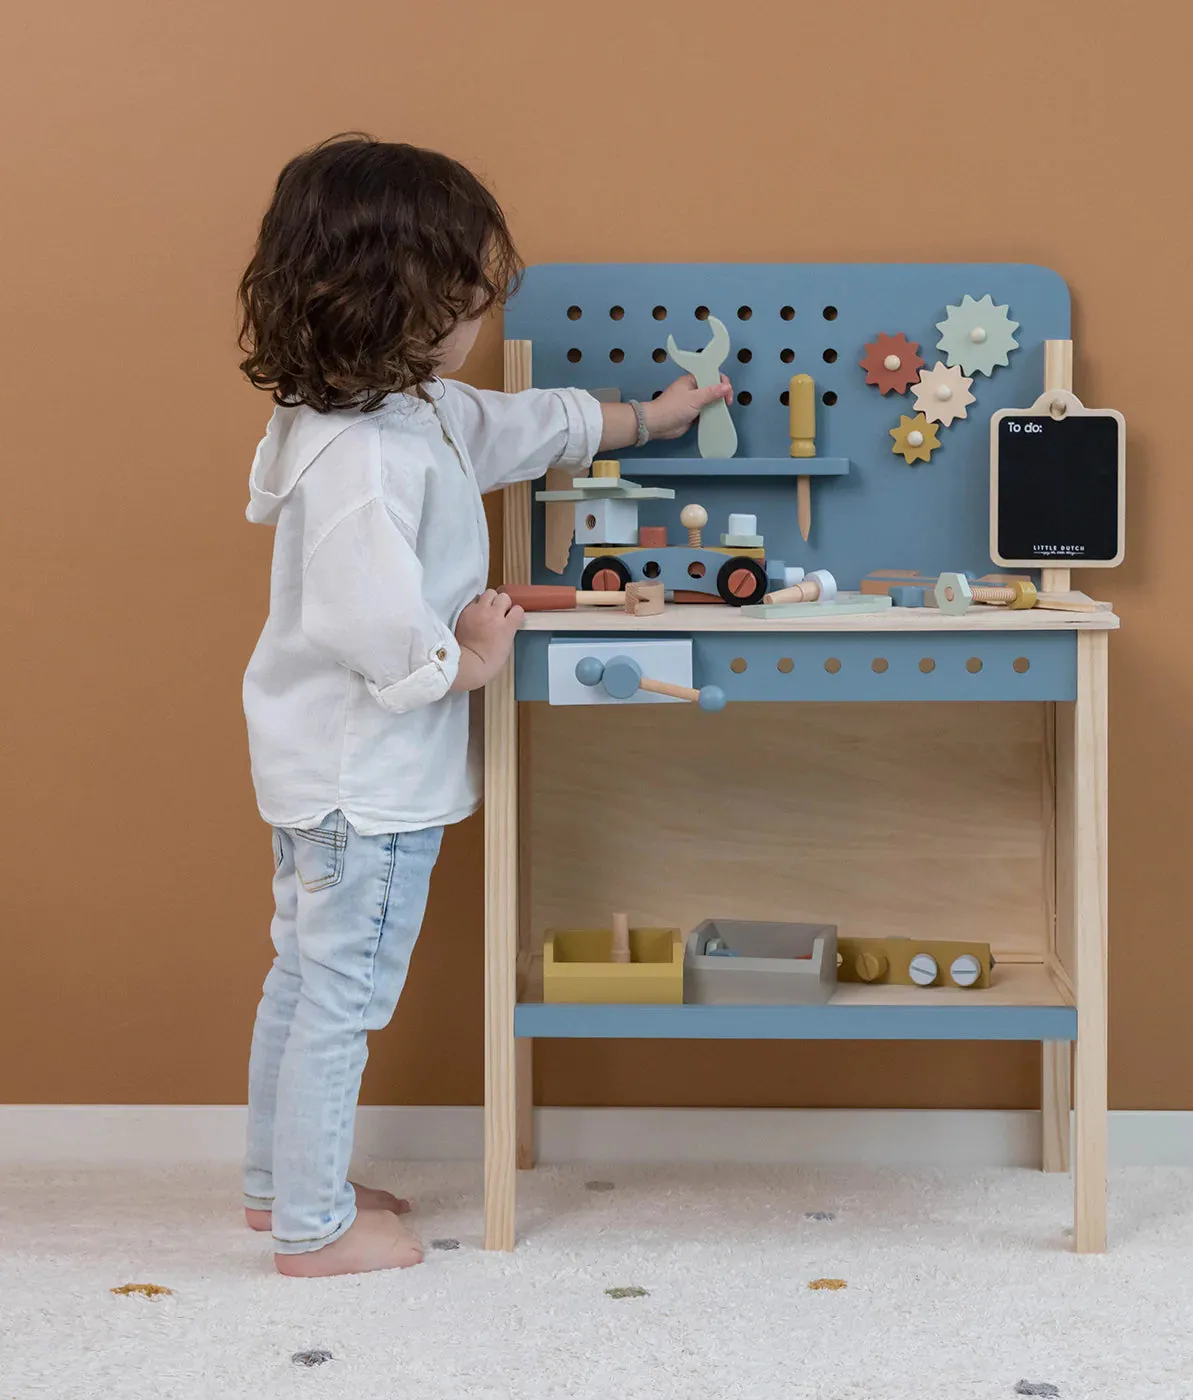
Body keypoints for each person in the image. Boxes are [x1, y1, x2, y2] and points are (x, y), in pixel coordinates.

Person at [236, 134, 728, 1276]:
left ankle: (280, 1187)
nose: (478, 326)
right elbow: (366, 619)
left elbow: (523, 425)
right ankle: (312, 1230)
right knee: (341, 1000)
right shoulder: (363, 455)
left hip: (325, 774)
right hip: (368, 784)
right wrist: (460, 661)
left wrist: (647, 418)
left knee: (303, 976)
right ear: (401, 306)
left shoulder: (409, 414)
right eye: (463, 304)